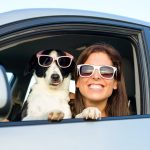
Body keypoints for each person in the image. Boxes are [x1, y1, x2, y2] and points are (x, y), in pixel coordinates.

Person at [72, 43, 130, 119]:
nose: (96, 77)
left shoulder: (132, 124)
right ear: (78, 81)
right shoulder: (61, 114)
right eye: (87, 70)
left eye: (106, 71)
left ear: (115, 83)